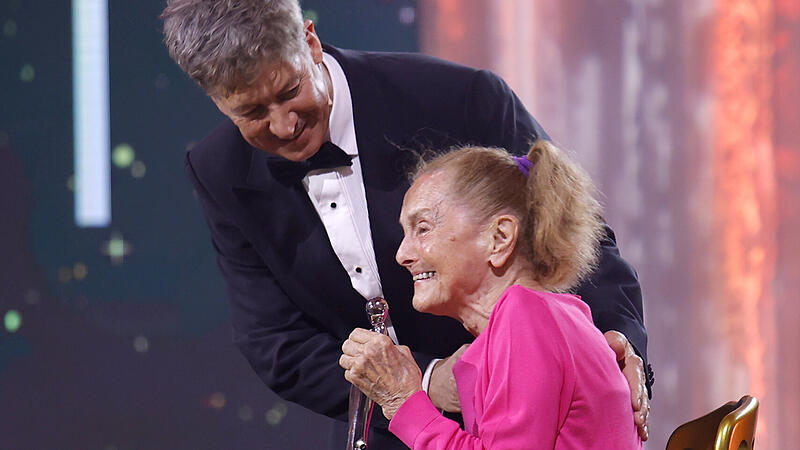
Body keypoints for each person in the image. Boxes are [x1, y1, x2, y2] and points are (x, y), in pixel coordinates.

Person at [160, 1, 652, 447]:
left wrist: (617, 345)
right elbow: (274, 342)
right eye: (251, 113)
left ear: (309, 41)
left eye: (290, 91)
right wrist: (426, 386)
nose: (285, 124)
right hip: (382, 432)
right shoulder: (218, 171)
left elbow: (571, 231)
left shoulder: (456, 97)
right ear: (216, 101)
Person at [340, 142, 643, 449]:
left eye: (423, 228)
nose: (402, 255)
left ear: (499, 238)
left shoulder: (527, 316)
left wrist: (403, 399)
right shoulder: (540, 320)